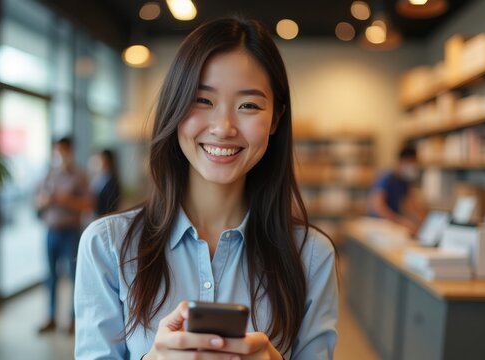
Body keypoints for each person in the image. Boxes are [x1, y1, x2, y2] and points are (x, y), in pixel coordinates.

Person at [74, 17, 338, 359]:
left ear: (275, 119)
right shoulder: (108, 246)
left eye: (249, 105)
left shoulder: (311, 256)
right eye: (202, 100)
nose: (224, 127)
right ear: (175, 106)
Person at [35, 136, 93, 335]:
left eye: (63, 151)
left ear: (70, 152)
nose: (59, 155)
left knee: (74, 277)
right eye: (57, 151)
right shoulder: (48, 174)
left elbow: (88, 204)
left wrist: (65, 199)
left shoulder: (79, 175)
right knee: (50, 276)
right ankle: (50, 316)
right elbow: (38, 200)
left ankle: (74, 319)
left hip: (71, 232)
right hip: (51, 232)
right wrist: (44, 201)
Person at [368, 145, 427, 235]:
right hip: (378, 224)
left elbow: (412, 204)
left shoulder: (404, 181)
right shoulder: (386, 178)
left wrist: (425, 221)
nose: (414, 168)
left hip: (390, 224)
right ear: (402, 161)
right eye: (411, 163)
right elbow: (378, 206)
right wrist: (400, 222)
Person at [90, 149, 122, 216]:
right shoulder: (100, 177)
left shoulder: (112, 181)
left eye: (101, 159)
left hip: (105, 216)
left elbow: (111, 204)